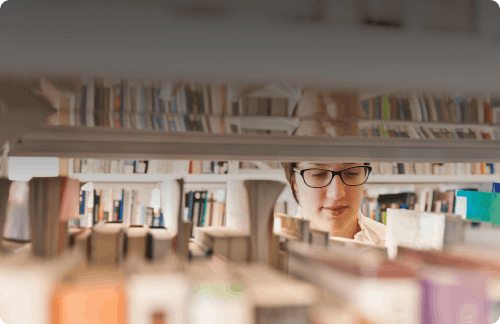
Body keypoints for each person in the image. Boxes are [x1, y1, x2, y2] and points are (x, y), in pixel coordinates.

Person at [281, 161, 385, 246]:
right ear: (294, 182)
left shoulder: (391, 242)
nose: (336, 194)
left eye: (351, 172)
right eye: (318, 174)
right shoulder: (274, 249)